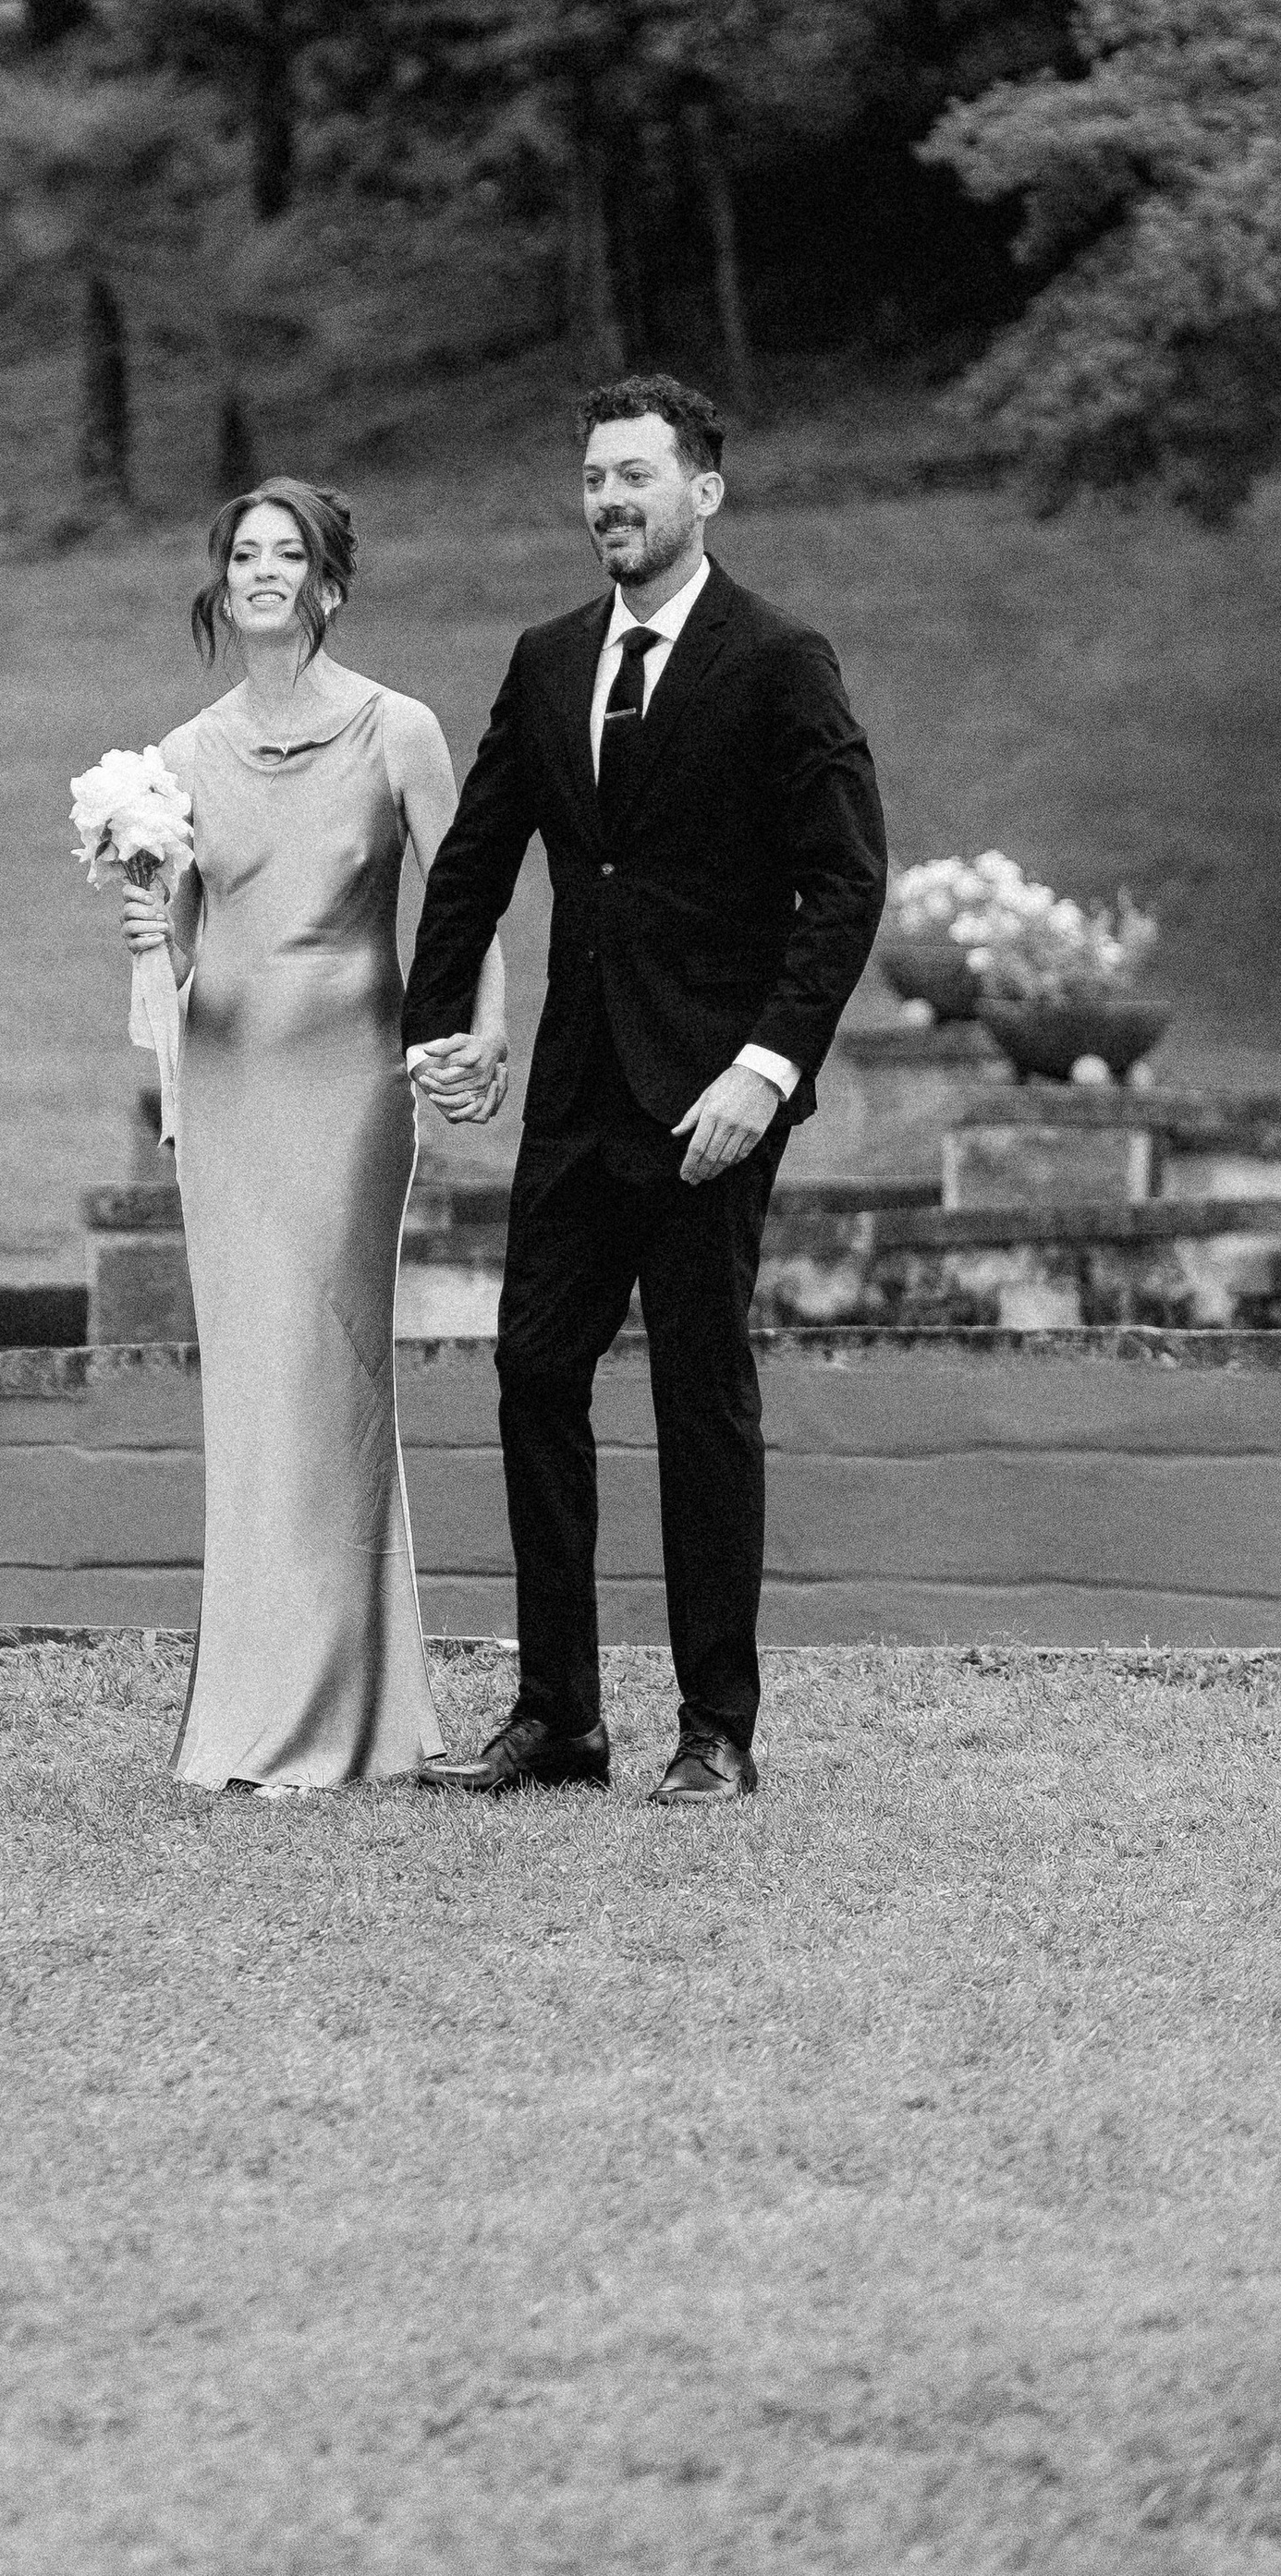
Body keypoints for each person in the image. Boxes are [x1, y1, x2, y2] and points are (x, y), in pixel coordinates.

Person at [404, 374, 886, 1805]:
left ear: (703, 494)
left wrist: (768, 1065)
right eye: (596, 479)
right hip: (575, 1095)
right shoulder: (549, 659)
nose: (610, 500)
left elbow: (848, 883)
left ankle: (715, 1729)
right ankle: (560, 1717)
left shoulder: (781, 658)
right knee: (534, 1373)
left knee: (700, 1399)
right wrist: (444, 1027)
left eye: (637, 476)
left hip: (711, 1101)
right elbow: (479, 856)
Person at [122, 478, 504, 1793]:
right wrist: (144, 925)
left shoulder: (400, 732)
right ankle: (251, 1717)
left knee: (331, 1377)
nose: (264, 572)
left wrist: (482, 1037)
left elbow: (465, 913)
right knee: (250, 1387)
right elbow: (181, 946)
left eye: (288, 555)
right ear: (221, 582)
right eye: (244, 553)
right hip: (228, 1087)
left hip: (351, 1087)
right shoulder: (175, 757)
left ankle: (348, 1721)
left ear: (330, 584)